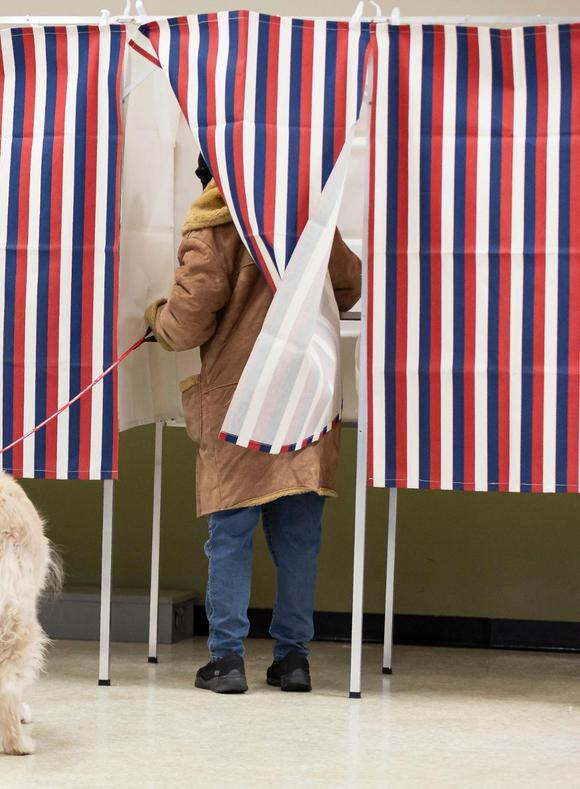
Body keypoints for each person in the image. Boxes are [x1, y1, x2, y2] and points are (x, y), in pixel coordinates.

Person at [144, 158, 360, 694]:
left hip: (239, 401)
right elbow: (348, 284)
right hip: (306, 397)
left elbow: (188, 321)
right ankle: (293, 660)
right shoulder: (308, 219)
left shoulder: (214, 225)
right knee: (297, 538)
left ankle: (227, 659)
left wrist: (156, 319)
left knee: (232, 533)